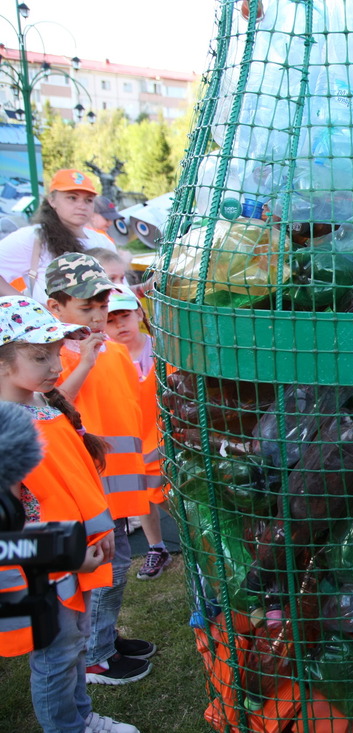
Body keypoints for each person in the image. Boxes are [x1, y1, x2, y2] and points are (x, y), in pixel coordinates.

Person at [0, 295, 141, 733]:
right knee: (57, 656)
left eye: (57, 352)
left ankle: (81, 717)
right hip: (45, 571)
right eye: (40, 356)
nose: (55, 364)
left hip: (72, 558)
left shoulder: (42, 409)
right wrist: (68, 556)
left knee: (73, 646)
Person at [42, 253, 156, 686]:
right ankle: (95, 656)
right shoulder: (55, 356)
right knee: (107, 568)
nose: (97, 316)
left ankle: (104, 640)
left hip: (119, 485)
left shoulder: (111, 348)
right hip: (89, 487)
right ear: (55, 308)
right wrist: (85, 362)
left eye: (101, 307)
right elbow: (51, 411)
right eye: (85, 308)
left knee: (116, 564)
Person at [103, 285, 173, 580]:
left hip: (167, 438)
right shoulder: (106, 359)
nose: (119, 325)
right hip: (132, 443)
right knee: (142, 497)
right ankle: (157, 546)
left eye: (124, 316)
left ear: (139, 314)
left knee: (173, 498)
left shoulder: (162, 348)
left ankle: (197, 544)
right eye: (110, 319)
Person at [0, 170, 118, 302]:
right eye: (72, 198)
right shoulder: (33, 237)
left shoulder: (102, 241)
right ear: (52, 201)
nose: (81, 206)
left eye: (88, 200)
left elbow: (118, 287)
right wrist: (29, 306)